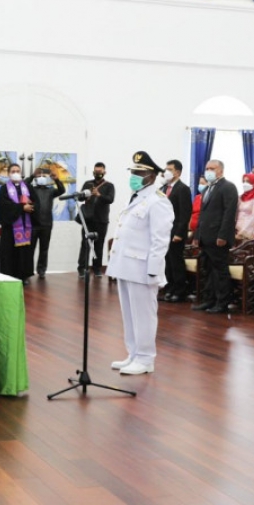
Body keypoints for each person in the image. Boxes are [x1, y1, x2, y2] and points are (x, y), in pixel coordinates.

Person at [107, 151, 174, 375]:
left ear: (152, 176)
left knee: (144, 315)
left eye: (139, 173)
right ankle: (133, 354)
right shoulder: (137, 197)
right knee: (129, 314)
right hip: (126, 267)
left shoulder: (158, 202)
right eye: (133, 172)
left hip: (143, 269)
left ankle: (146, 358)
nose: (134, 176)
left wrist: (153, 271)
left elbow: (160, 240)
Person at [191, 160, 238, 314]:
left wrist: (223, 235)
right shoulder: (207, 189)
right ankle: (209, 300)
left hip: (218, 237)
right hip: (205, 237)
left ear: (221, 171)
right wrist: (197, 235)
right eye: (207, 168)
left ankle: (222, 302)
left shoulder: (228, 187)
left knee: (220, 271)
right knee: (208, 269)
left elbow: (229, 214)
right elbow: (202, 215)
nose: (208, 171)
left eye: (212, 168)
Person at [0, 163, 39, 284]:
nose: (16, 173)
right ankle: (9, 275)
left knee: (24, 253)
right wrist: (22, 207)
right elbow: (5, 206)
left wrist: (32, 207)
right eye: (13, 171)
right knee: (9, 253)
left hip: (25, 227)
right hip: (10, 228)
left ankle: (23, 276)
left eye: (18, 171)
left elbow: (36, 202)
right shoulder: (4, 188)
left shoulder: (28, 187)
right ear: (9, 174)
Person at [76, 162, 115, 278]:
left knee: (99, 244)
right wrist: (85, 195)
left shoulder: (109, 186)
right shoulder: (87, 183)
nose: (97, 173)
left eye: (100, 172)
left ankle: (97, 268)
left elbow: (110, 199)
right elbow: (79, 197)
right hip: (88, 219)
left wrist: (98, 195)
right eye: (96, 171)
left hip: (101, 220)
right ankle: (82, 268)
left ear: (104, 172)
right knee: (85, 244)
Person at [26, 166, 65, 278]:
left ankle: (41, 270)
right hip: (33, 224)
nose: (41, 177)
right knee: (30, 249)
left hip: (47, 224)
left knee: (44, 249)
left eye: (44, 176)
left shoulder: (51, 190)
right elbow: (23, 184)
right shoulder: (31, 189)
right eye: (39, 175)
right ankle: (28, 272)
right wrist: (32, 175)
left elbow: (62, 190)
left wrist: (56, 180)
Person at [161, 160, 191, 302]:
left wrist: (179, 233)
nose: (166, 171)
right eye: (165, 169)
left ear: (177, 172)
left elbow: (185, 213)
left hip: (176, 232)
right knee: (166, 261)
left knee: (176, 261)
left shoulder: (183, 188)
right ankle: (170, 288)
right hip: (163, 232)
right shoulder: (163, 188)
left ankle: (179, 291)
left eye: (169, 169)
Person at [235, 173, 254, 244]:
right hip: (237, 229)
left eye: (247, 182)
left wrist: (242, 232)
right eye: (244, 181)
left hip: (248, 232)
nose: (245, 184)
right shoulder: (241, 197)